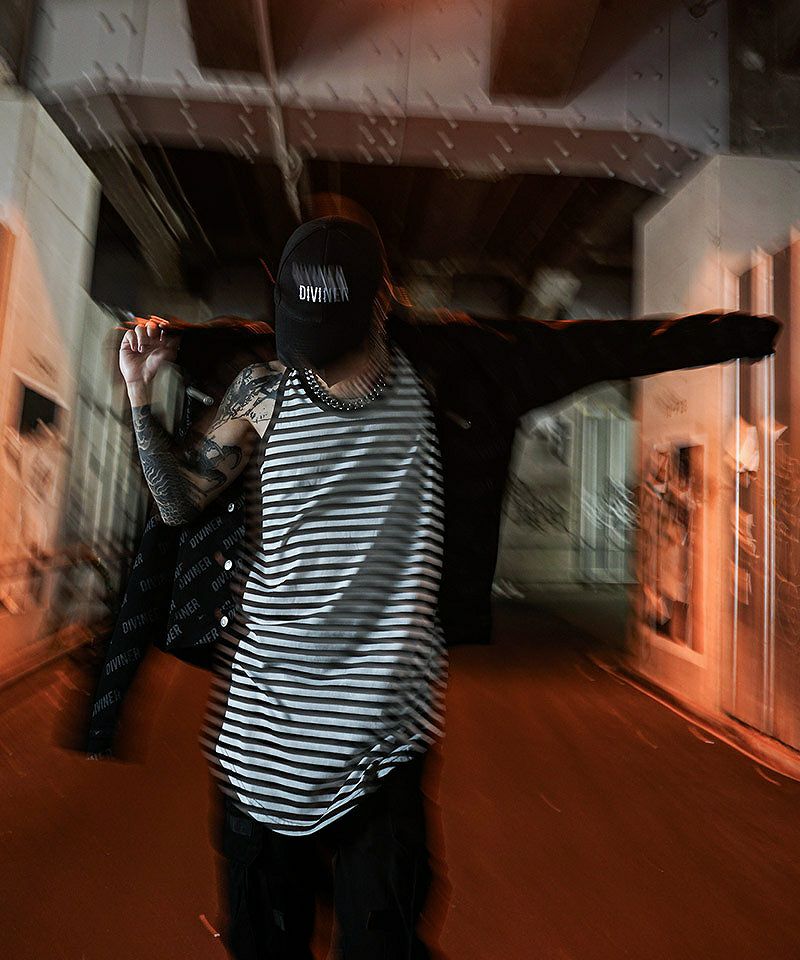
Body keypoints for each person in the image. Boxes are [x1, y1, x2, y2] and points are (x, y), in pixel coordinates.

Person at [108, 212, 780, 960]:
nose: (316, 362)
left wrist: (745, 333)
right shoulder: (261, 390)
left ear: (382, 303)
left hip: (383, 750)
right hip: (259, 748)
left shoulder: (450, 377)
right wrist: (139, 395)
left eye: (332, 339)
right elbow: (179, 503)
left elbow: (602, 347)